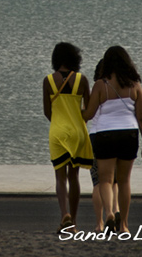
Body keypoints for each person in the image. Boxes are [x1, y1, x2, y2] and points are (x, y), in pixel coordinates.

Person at [83, 46, 142, 234]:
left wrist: (73, 112)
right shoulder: (135, 85)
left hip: (104, 134)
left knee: (104, 180)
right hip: (129, 134)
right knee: (124, 181)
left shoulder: (100, 85)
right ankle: (125, 226)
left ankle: (110, 214)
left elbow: (88, 114)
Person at [43, 42, 94, 233]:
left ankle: (64, 214)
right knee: (74, 177)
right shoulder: (82, 80)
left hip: (57, 131)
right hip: (77, 132)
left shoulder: (48, 81)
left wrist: (59, 122)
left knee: (59, 177)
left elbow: (47, 111)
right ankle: (73, 223)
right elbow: (88, 111)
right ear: (75, 58)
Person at [88, 59, 120, 232]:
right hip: (115, 135)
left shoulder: (96, 89)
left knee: (98, 182)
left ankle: (99, 223)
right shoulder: (118, 89)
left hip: (95, 136)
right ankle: (115, 212)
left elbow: (88, 113)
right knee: (114, 182)